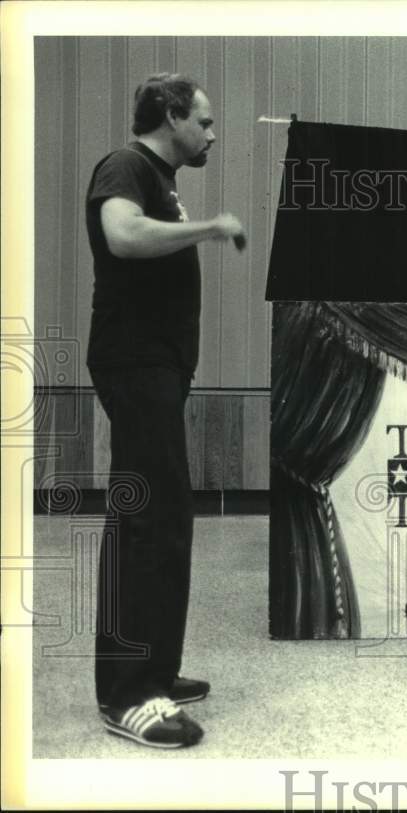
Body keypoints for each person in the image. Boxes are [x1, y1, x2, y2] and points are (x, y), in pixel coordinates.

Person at [85, 73, 245, 747]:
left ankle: (155, 669)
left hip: (158, 367)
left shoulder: (162, 179)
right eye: (202, 122)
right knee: (146, 518)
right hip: (135, 362)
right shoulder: (125, 165)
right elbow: (121, 236)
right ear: (172, 115)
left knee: (167, 515)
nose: (210, 133)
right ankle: (127, 695)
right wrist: (209, 228)